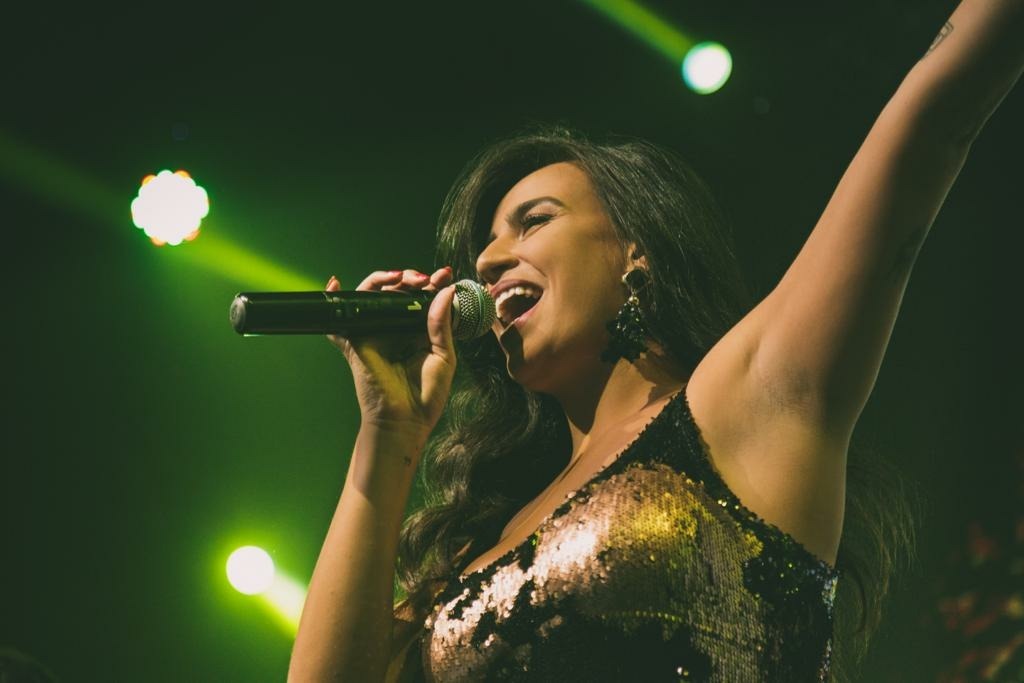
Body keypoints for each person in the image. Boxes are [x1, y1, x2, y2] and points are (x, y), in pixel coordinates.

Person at [287, 1, 1022, 680]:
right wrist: (388, 433)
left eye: (533, 221)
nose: (489, 259)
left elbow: (930, 122)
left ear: (634, 251)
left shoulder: (743, 403)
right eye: (485, 247)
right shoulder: (480, 545)